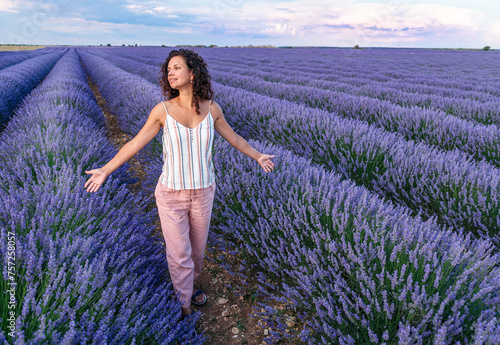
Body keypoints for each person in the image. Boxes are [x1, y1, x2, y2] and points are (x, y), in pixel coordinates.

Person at [84, 48, 275, 318]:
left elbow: (235, 138)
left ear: (193, 72)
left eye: (176, 68)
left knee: (196, 253)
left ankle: (189, 284)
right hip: (171, 194)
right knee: (179, 253)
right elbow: (135, 144)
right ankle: (184, 304)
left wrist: (257, 156)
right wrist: (106, 169)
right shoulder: (162, 111)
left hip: (204, 192)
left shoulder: (213, 109)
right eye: (168, 70)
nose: (170, 73)